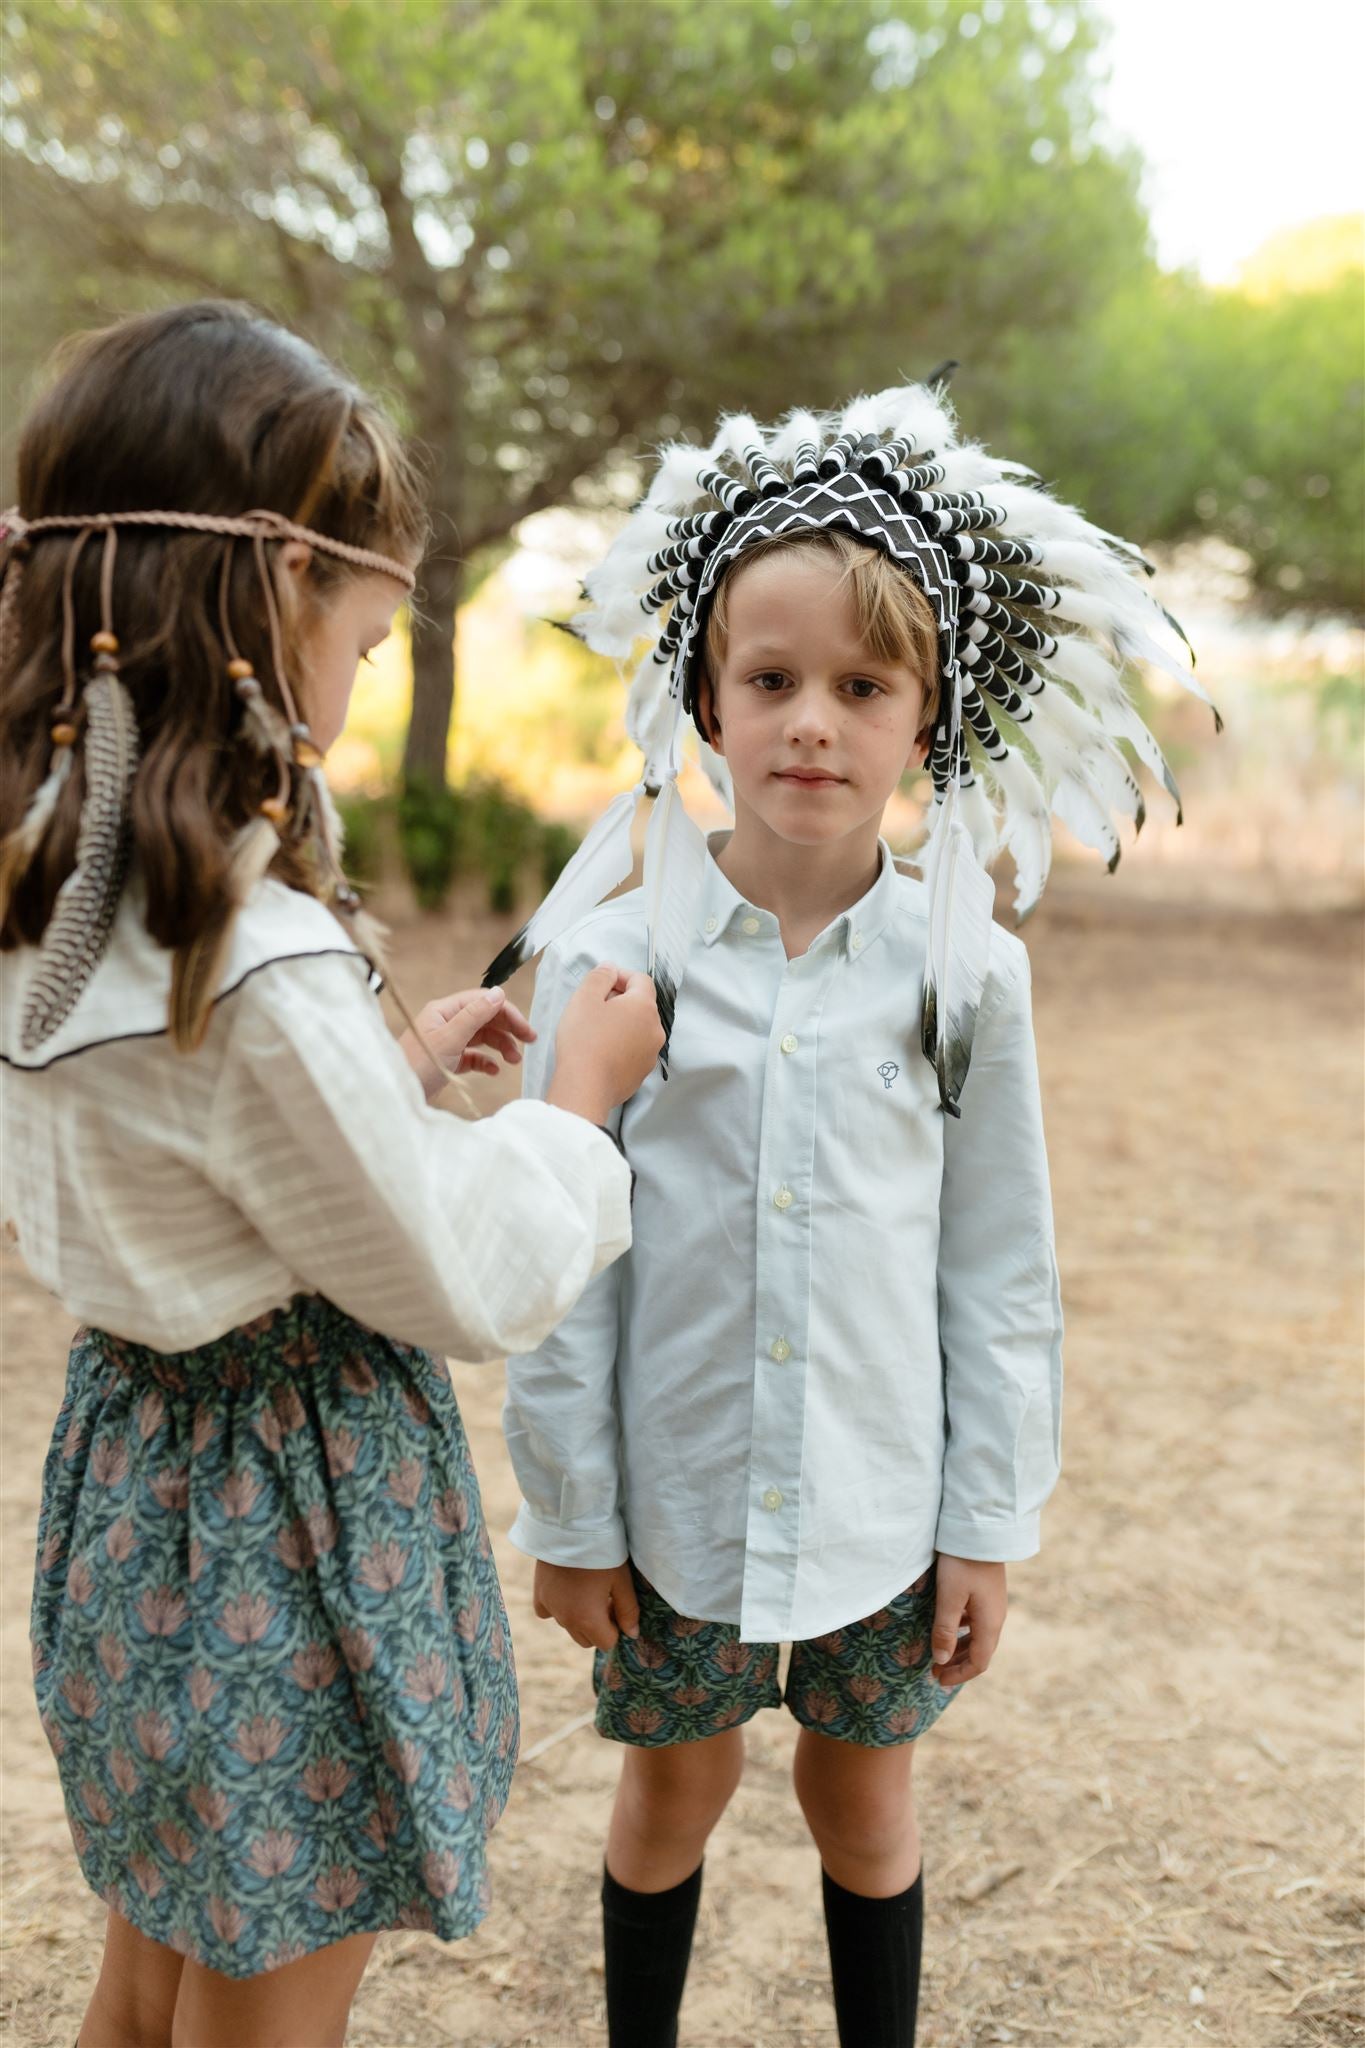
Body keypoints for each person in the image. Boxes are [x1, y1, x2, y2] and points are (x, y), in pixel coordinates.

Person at [491, 381, 1209, 2046]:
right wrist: (573, 1515)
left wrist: (987, 1522)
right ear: (707, 700)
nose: (813, 720)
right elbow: (564, 1259)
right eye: (771, 680)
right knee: (670, 1806)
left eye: (861, 686)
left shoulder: (969, 979)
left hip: (884, 1519)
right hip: (673, 1512)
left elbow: (998, 1275)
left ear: (925, 717)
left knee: (865, 1814)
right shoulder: (622, 958)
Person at [0, 300, 662, 2048]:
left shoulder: (58, 894)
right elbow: (451, 1271)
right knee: (260, 2009)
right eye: (368, 640)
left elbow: (172, 1144)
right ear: (277, 585)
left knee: (148, 1975)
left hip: (139, 1497)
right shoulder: (260, 957)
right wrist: (575, 1110)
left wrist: (385, 1074)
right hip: (282, 1533)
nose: (364, 681)